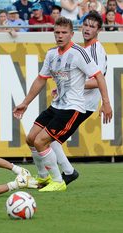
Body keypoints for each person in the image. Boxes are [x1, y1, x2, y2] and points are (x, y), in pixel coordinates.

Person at [13, 17, 112, 192]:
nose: (60, 36)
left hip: (74, 107)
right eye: (57, 32)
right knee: (31, 139)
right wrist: (25, 103)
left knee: (43, 141)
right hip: (57, 105)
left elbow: (99, 77)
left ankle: (58, 180)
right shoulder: (52, 54)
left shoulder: (81, 53)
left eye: (64, 32)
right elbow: (40, 79)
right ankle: (44, 177)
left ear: (71, 34)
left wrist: (106, 103)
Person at [50, 11, 108, 185]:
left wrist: (68, 87)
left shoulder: (96, 49)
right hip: (74, 101)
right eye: (86, 25)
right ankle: (67, 172)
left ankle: (66, 173)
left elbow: (98, 79)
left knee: (48, 137)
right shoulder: (83, 49)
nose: (87, 29)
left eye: (92, 26)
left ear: (98, 30)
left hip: (84, 104)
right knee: (49, 138)